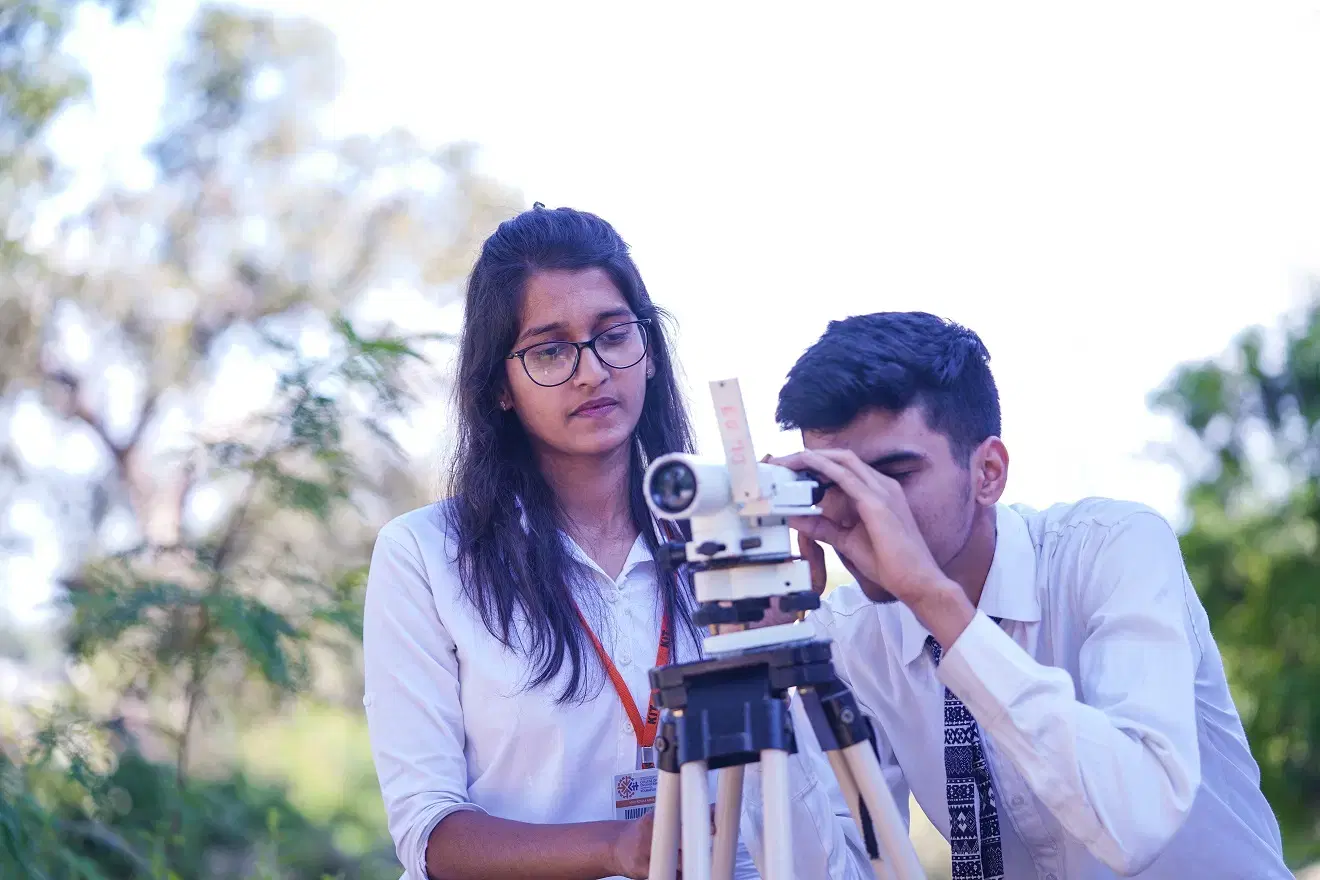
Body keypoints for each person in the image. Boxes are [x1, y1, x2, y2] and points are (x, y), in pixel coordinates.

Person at [360, 204, 870, 880]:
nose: (592, 371)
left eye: (613, 335)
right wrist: (618, 848)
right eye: (549, 350)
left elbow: (818, 826)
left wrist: (775, 640)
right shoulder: (426, 555)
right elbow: (430, 836)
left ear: (649, 351)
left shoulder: (730, 536)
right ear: (500, 386)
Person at [763, 311, 1291, 879]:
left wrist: (937, 605)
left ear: (988, 472)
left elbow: (1136, 822)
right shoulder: (850, 636)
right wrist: (761, 667)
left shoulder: (1113, 548)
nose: (861, 510)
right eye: (831, 484)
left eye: (891, 476)